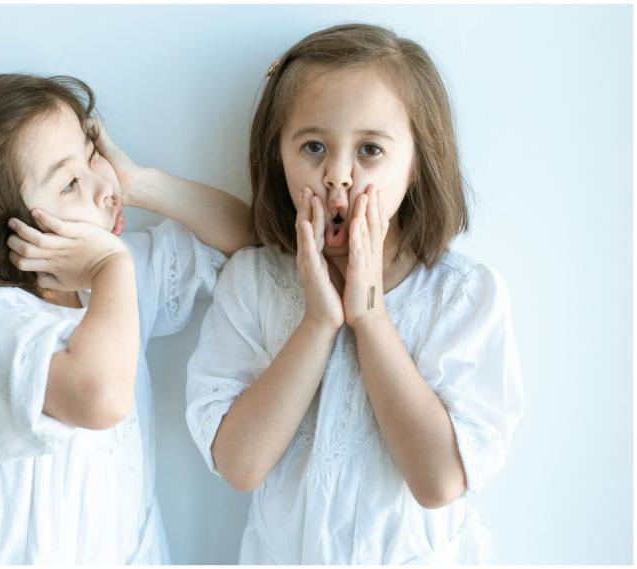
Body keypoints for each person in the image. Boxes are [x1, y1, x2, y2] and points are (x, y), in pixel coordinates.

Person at [185, 23, 523, 563]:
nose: (336, 176)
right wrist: (318, 322)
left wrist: (370, 317)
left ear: (417, 165)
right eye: (313, 146)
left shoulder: (462, 296)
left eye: (369, 149)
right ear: (278, 155)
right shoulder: (251, 283)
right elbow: (239, 466)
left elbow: (438, 481)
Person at [0, 73, 253, 564]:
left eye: (90, 153)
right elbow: (99, 396)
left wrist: (140, 183)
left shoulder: (109, 281)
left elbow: (249, 242)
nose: (106, 187)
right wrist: (110, 268)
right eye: (71, 182)